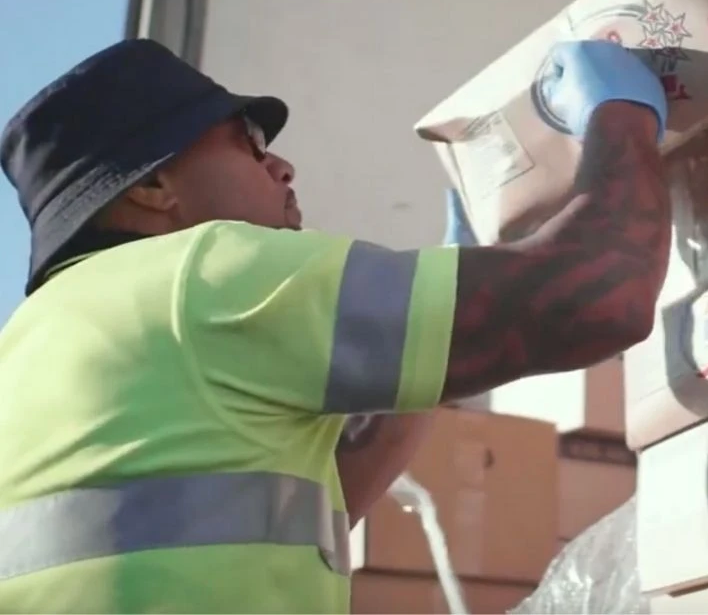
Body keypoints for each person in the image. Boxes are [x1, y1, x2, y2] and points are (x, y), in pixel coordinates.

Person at [0, 38, 671, 613]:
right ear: (150, 189)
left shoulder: (30, 343)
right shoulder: (203, 272)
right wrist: (622, 115)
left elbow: (324, 500)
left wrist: (442, 340)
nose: (282, 166)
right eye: (248, 147)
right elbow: (603, 293)